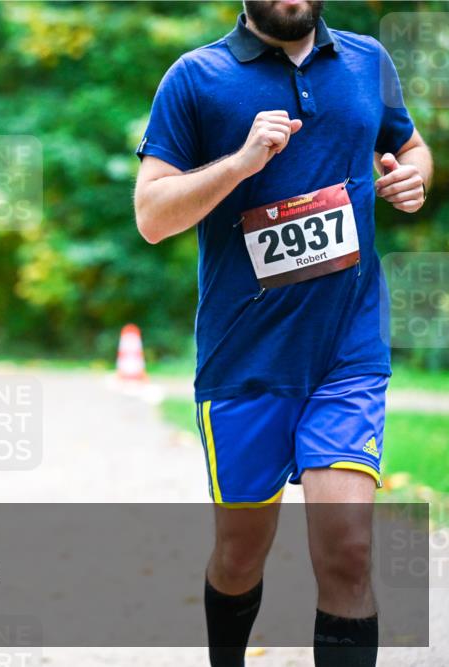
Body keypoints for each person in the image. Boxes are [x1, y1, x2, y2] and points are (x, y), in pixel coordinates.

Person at [133, 2, 432, 666]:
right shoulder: (196, 77)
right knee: (240, 555)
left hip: (347, 351)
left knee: (348, 549)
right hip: (244, 359)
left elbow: (408, 145)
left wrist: (414, 176)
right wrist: (240, 162)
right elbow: (151, 215)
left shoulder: (366, 62)